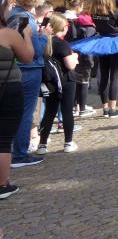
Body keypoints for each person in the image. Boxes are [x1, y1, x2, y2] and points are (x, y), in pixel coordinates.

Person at [6, 0, 49, 168]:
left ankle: (12, 150)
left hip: (12, 68)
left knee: (12, 111)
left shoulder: (10, 15)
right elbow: (36, 51)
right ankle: (20, 154)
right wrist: (44, 36)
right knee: (26, 112)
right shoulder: (27, 19)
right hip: (30, 69)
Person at [0, 0, 34, 198]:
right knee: (3, 139)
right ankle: (2, 184)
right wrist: (27, 36)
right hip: (7, 88)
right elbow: (27, 57)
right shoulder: (8, 34)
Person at [35, 13, 79, 154]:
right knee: (67, 111)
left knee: (49, 112)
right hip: (66, 81)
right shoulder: (61, 43)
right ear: (62, 27)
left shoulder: (43, 41)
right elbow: (70, 65)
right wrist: (75, 57)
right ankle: (68, 143)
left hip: (49, 82)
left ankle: (42, 145)